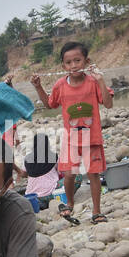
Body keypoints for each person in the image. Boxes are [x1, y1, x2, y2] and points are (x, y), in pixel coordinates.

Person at [30, 41, 113, 224]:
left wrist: (100, 80)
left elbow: (108, 103)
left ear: (86, 61)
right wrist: (38, 87)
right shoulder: (60, 85)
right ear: (63, 66)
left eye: (77, 60)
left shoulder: (93, 82)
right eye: (68, 63)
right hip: (71, 139)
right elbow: (49, 105)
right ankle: (70, 203)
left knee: (93, 175)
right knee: (68, 174)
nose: (73, 65)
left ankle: (97, 212)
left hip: (92, 138)